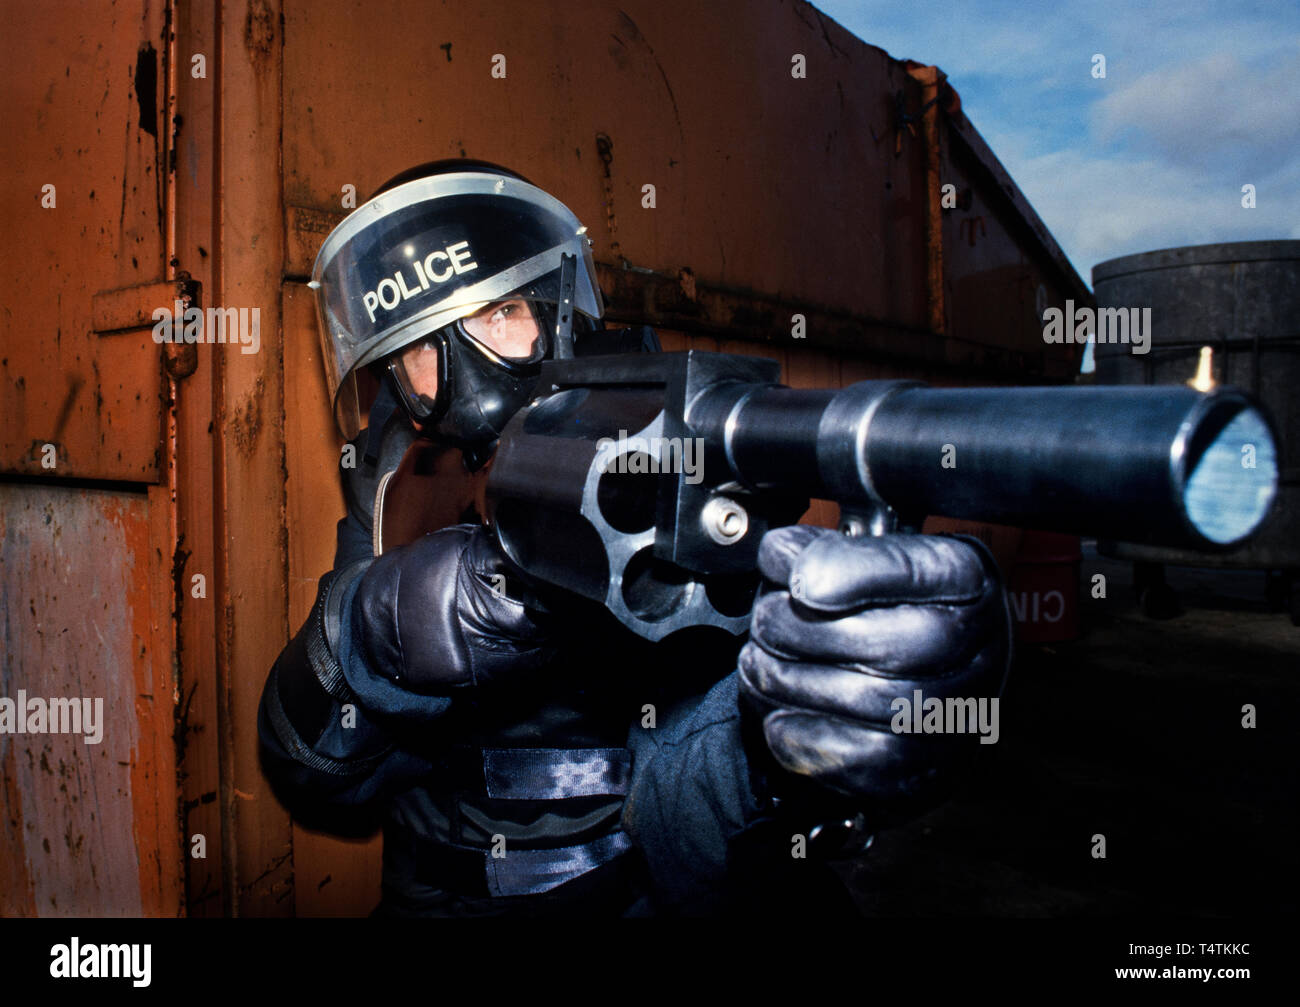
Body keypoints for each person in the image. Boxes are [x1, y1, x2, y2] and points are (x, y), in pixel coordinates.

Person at [257, 159, 1012, 917]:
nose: (464, 383)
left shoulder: (652, 456)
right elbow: (308, 770)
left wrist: (785, 742)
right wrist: (374, 635)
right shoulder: (395, 478)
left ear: (561, 312)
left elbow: (687, 814)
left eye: (500, 313)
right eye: (418, 350)